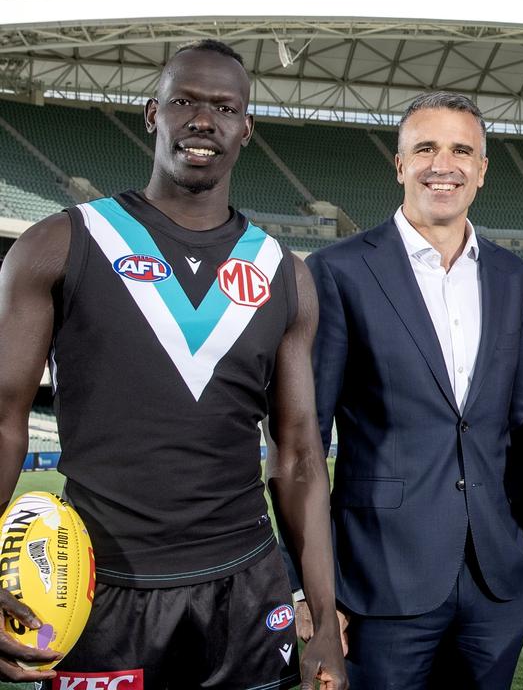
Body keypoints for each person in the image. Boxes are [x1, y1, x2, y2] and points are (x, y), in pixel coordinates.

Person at [0, 40, 346, 688]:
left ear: (246, 127)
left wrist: (322, 618)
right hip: (102, 594)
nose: (202, 119)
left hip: (246, 590)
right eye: (184, 100)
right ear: (152, 113)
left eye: (223, 106)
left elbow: (298, 453)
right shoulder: (59, 244)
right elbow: (3, 423)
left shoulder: (284, 274)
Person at [294, 90, 523, 688]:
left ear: (482, 170)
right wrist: (311, 584)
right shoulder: (338, 271)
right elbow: (305, 439)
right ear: (400, 163)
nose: (445, 165)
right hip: (379, 577)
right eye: (427, 148)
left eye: (462, 150)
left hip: (498, 581)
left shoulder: (513, 277)